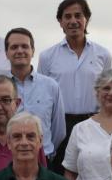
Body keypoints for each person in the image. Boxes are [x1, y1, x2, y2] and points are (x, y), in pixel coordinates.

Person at [37, 0, 112, 142]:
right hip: (60, 125)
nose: (73, 21)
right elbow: (43, 97)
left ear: (86, 19)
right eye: (67, 16)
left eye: (78, 16)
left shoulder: (103, 55)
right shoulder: (47, 56)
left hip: (95, 124)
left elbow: (108, 92)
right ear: (60, 22)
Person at [5, 27, 66, 161]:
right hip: (7, 159)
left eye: (25, 46)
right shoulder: (0, 87)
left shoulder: (51, 86)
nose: (20, 51)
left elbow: (59, 130)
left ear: (33, 51)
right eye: (14, 47)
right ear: (6, 53)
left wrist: (44, 150)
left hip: (43, 159)